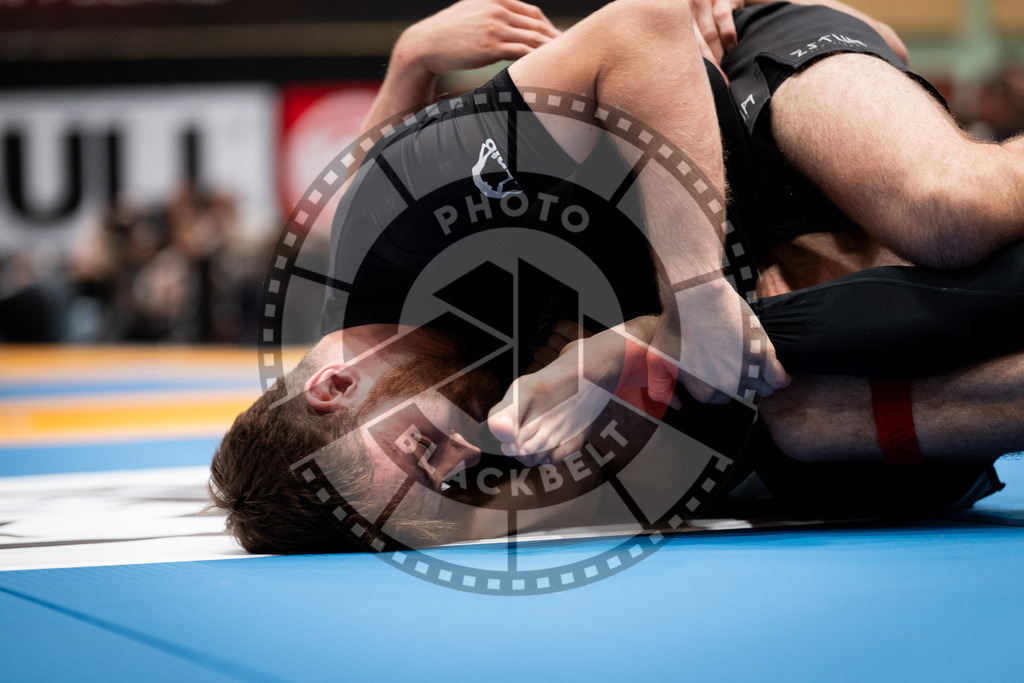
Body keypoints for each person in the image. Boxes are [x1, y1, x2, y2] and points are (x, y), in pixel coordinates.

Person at [210, 0, 1024, 552]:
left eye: (424, 450)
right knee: (807, 414)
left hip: (740, 104)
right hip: (763, 262)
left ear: (335, 385)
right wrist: (648, 347)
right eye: (444, 488)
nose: (459, 459)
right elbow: (705, 424)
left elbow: (643, 27)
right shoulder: (458, 464)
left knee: (944, 213)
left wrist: (695, 295)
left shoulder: (405, 220)